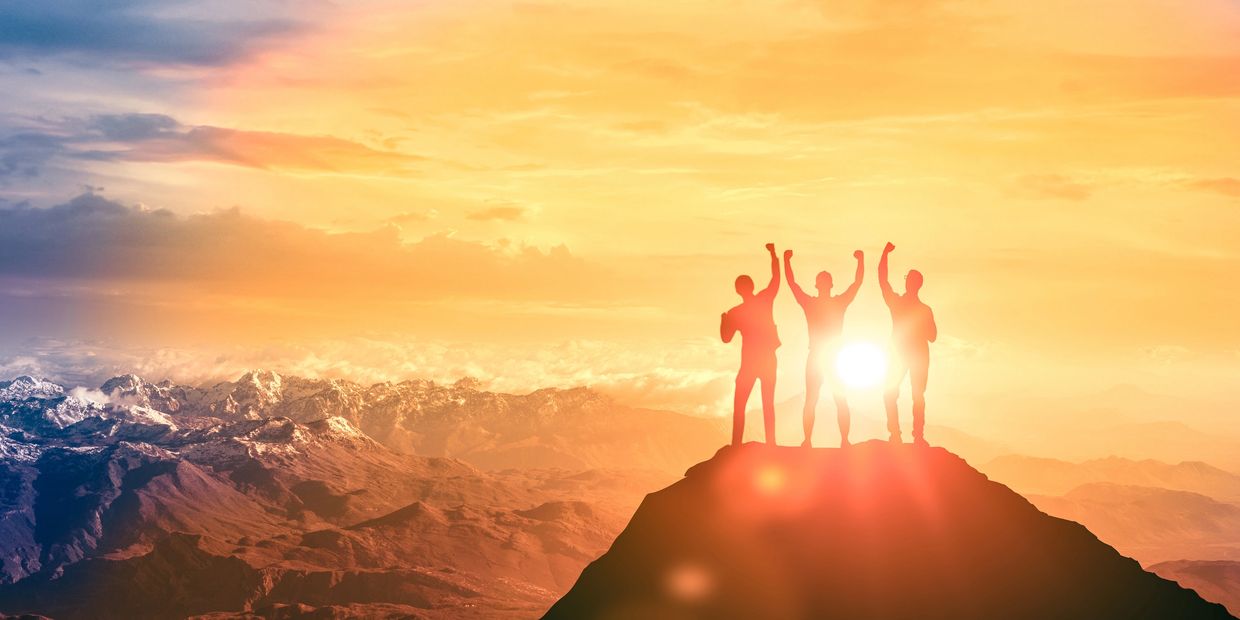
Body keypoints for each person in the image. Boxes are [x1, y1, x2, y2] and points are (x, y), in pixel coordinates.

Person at [784, 248, 864, 448]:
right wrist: (860, 261)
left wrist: (786, 260)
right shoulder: (834, 302)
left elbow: (793, 284)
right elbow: (856, 284)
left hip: (826, 356)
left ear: (817, 285)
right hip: (828, 356)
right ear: (829, 285)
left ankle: (820, 440)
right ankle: (834, 440)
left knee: (820, 399)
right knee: (831, 399)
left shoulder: (813, 303)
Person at [721, 243, 781, 446]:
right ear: (752, 287)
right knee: (767, 402)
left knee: (740, 403)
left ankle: (736, 444)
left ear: (738, 290)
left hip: (750, 362)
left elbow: (725, 338)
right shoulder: (764, 300)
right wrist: (773, 255)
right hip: (766, 359)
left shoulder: (736, 312)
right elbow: (776, 279)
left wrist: (723, 320)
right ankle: (771, 442)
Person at [878, 242, 937, 446]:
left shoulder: (898, 303)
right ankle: (915, 436)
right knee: (916, 395)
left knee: (894, 394)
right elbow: (933, 336)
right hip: (916, 355)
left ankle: (898, 435)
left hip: (903, 354)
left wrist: (885, 254)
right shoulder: (924, 309)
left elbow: (882, 280)